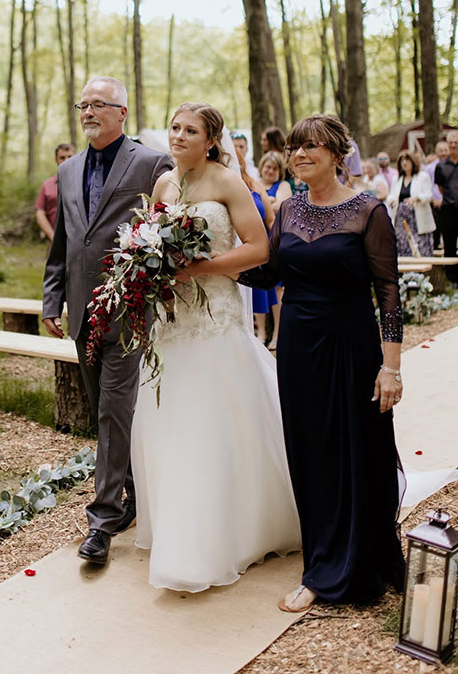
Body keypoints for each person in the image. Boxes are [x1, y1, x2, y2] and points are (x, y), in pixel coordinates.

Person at [130, 103, 300, 592]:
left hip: (216, 315)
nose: (179, 136)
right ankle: (182, 534)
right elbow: (154, 247)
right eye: (175, 128)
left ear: (211, 140)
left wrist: (198, 268)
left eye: (191, 131)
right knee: (172, 422)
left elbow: (259, 248)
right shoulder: (164, 185)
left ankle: (231, 535)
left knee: (213, 422)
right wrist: (151, 271)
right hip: (173, 321)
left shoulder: (226, 181)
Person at [241, 114, 405, 612]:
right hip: (297, 351)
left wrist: (391, 367)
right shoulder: (287, 210)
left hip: (353, 349)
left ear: (337, 154)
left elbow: (389, 294)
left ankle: (360, 558)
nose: (299, 154)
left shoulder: (368, 211)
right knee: (310, 453)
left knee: (357, 449)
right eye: (294, 147)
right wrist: (205, 264)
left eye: (311, 146)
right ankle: (321, 562)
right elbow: (267, 270)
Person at [42, 77, 172, 566]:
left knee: (112, 414)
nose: (89, 112)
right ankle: (134, 496)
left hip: (130, 311)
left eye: (99, 104)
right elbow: (64, 242)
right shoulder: (68, 168)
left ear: (121, 111)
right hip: (82, 312)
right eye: (83, 105)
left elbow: (168, 230)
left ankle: (102, 524)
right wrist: (52, 299)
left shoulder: (149, 162)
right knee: (109, 412)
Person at [236, 152, 277, 345]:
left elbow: (270, 219)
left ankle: (263, 333)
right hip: (236, 247)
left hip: (261, 244)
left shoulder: (254, 184)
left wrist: (277, 248)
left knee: (262, 291)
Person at [258, 151, 292, 347]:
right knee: (258, 285)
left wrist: (268, 202)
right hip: (257, 238)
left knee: (278, 287)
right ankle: (261, 332)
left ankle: (278, 334)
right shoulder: (254, 182)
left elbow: (281, 204)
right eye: (267, 167)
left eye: (274, 168)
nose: (270, 171)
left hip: (276, 238)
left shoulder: (283, 186)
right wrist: (269, 201)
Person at [388, 151, 435, 257]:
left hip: (418, 219)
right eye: (402, 160)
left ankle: (421, 272)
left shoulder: (423, 176)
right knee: (403, 245)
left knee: (420, 247)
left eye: (407, 160)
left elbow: (429, 195)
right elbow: (392, 195)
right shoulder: (397, 179)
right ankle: (406, 272)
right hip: (401, 220)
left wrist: (417, 198)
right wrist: (390, 200)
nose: (404, 163)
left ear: (413, 161)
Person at [34, 142, 75, 243]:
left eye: (70, 156)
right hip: (54, 241)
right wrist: (53, 237)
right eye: (62, 158)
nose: (66, 160)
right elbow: (40, 213)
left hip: (79, 242)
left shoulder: (86, 182)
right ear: (56, 160)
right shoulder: (47, 185)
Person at [434, 129, 458, 286]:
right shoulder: (441, 166)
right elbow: (441, 188)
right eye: (451, 143)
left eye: (457, 143)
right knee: (449, 244)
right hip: (448, 210)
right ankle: (452, 278)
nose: (454, 145)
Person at [425, 139, 448, 251]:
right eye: (441, 150)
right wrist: (434, 199)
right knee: (435, 232)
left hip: (449, 203)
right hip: (434, 204)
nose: (443, 153)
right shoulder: (429, 168)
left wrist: (444, 200)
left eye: (445, 150)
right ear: (436, 152)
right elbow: (427, 186)